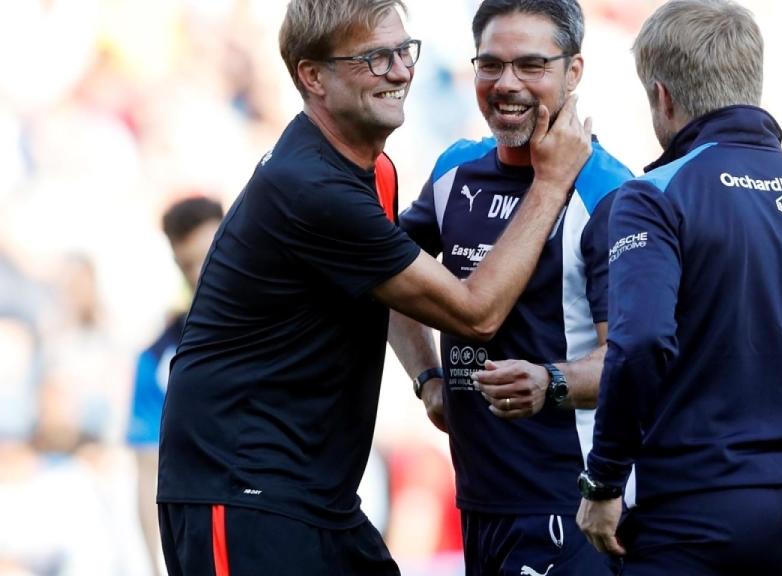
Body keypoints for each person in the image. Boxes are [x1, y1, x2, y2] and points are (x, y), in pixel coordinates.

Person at [155, 0, 593, 574]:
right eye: (373, 58)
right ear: (312, 76)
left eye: (402, 51)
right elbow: (476, 311)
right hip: (240, 488)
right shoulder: (312, 187)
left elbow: (392, 284)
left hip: (317, 495)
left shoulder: (369, 169)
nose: (399, 72)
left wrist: (428, 376)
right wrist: (552, 180)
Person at [575, 1, 782, 575]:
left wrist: (603, 478)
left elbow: (643, 341)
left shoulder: (652, 197)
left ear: (662, 96)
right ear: (751, 84)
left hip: (689, 522)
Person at [389, 1, 632, 574]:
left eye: (531, 66)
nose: (507, 85)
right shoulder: (455, 170)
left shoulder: (610, 193)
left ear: (574, 72)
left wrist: (551, 383)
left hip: (569, 506)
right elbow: (387, 278)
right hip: (477, 500)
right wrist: (426, 377)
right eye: (491, 65)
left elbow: (630, 358)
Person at [126, 195, 223, 576]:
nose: (201, 273)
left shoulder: (281, 324)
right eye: (187, 264)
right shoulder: (157, 357)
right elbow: (148, 467)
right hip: (201, 532)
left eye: (209, 254)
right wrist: (155, 567)